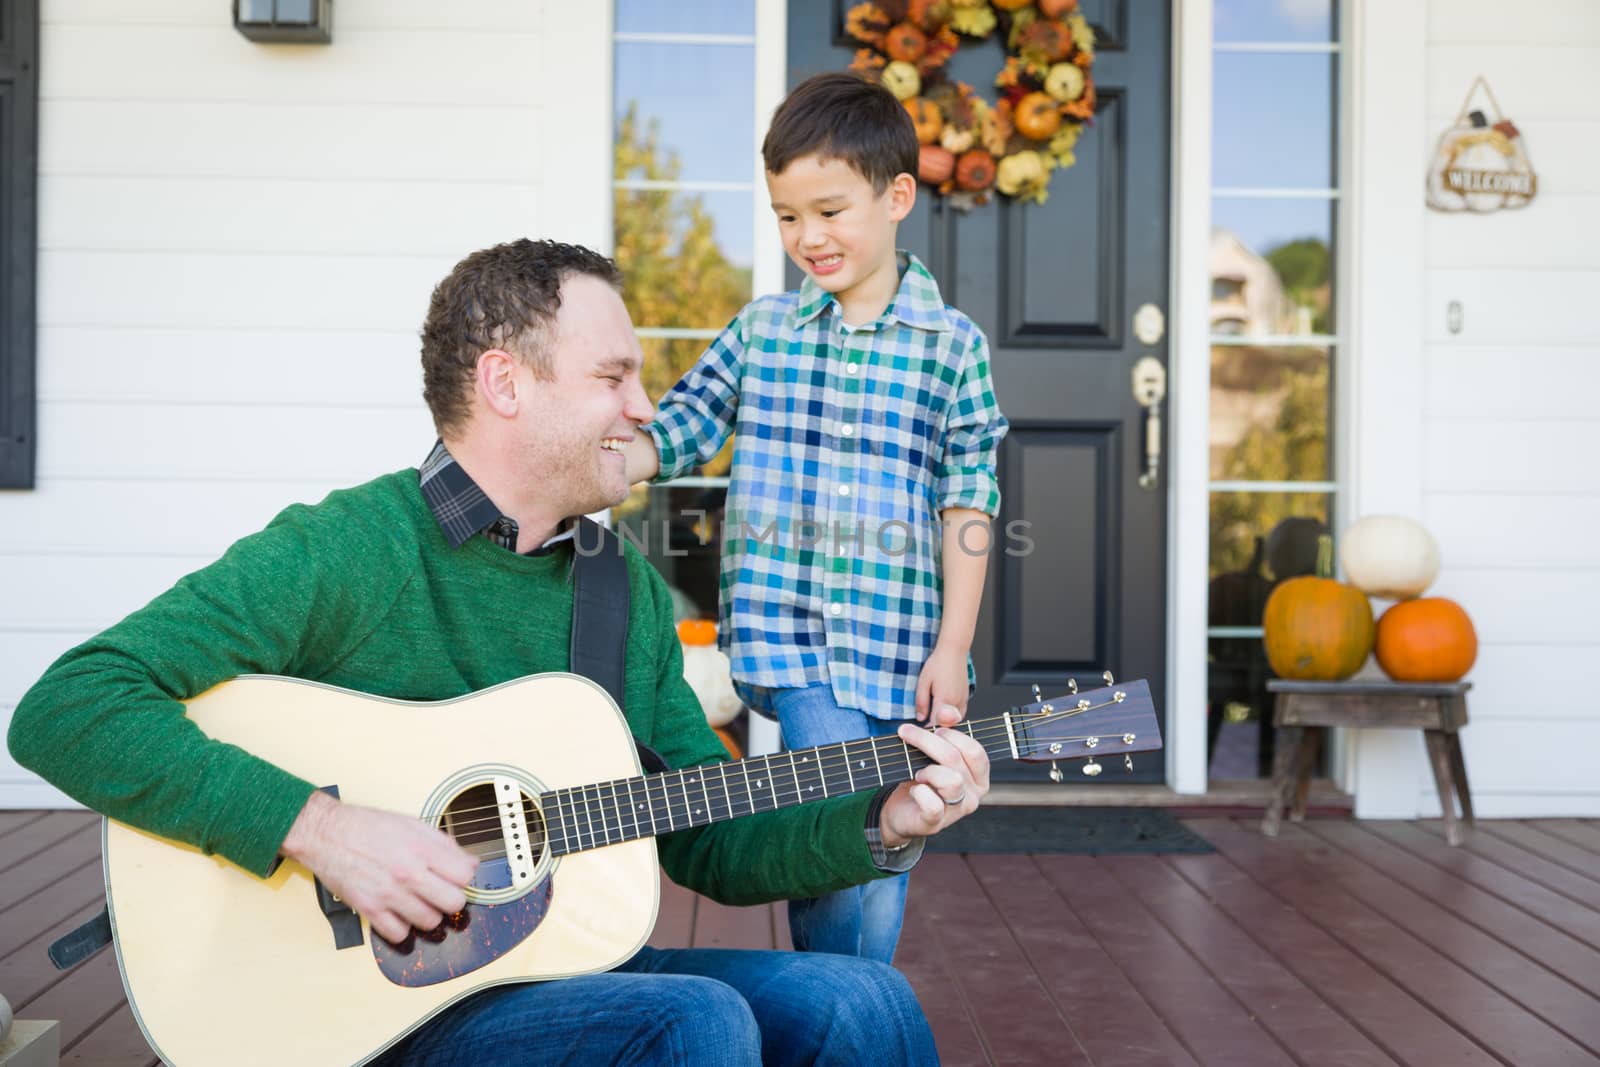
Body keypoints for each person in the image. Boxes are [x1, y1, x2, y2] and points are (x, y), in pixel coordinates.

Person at [7, 239, 992, 1066]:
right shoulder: (351, 547)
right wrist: (321, 830)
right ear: (505, 382)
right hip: (364, 1001)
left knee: (862, 1000)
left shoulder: (620, 588)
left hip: (556, 964)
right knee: (696, 1020)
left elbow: (706, 833)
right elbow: (69, 705)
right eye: (613, 376)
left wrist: (886, 815)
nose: (648, 407)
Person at [624, 72, 1008, 964]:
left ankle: (841, 1011)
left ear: (897, 195)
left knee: (882, 855)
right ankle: (846, 1012)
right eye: (787, 216)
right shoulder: (765, 332)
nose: (809, 237)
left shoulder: (952, 347)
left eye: (830, 211)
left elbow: (969, 499)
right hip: (797, 647)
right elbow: (682, 428)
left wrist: (954, 645)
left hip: (905, 648)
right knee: (843, 834)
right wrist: (599, 459)